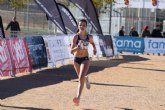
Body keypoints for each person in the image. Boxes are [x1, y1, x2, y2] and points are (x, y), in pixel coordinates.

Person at [70, 19, 97, 106]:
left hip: (85, 59)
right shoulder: (75, 37)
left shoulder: (89, 37)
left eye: (84, 25)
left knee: (80, 78)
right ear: (78, 26)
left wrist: (94, 49)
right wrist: (78, 47)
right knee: (81, 78)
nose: (82, 26)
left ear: (86, 27)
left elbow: (92, 43)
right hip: (76, 60)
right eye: (80, 25)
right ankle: (86, 79)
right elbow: (71, 51)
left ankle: (78, 98)